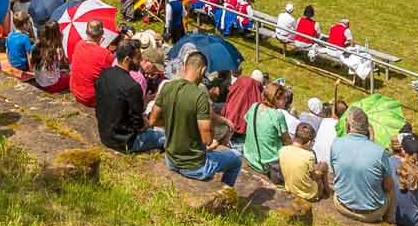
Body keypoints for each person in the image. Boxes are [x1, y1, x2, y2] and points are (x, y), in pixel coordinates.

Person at [148, 51, 242, 186]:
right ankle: (227, 192)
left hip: (171, 160)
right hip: (195, 167)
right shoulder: (200, 96)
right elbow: (207, 140)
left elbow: (153, 120)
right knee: (236, 158)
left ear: (185, 67)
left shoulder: (167, 86)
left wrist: (175, 122)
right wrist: (215, 140)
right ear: (203, 70)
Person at [93, 40, 165, 153]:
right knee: (165, 136)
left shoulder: (104, 74)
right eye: (138, 58)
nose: (140, 61)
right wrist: (148, 123)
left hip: (105, 135)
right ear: (127, 59)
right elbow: (139, 126)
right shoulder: (132, 86)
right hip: (126, 142)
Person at [329, 107, 395, 223]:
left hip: (341, 205)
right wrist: (372, 143)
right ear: (368, 128)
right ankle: (389, 222)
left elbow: (336, 173)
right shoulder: (380, 152)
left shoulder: (336, 143)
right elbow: (387, 187)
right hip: (371, 214)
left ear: (347, 125)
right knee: (392, 188)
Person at [242, 82, 292, 183]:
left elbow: (248, 122)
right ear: (275, 99)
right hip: (268, 164)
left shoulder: (254, 106)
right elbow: (287, 141)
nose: (286, 101)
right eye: (284, 98)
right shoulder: (277, 116)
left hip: (249, 156)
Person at [69, 19, 114, 107]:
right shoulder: (106, 55)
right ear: (101, 35)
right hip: (90, 98)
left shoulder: (79, 44)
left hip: (75, 90)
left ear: (86, 32)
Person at [281, 123, 330, 201]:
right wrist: (320, 171)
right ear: (309, 143)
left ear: (294, 136)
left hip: (290, 189)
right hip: (309, 195)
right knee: (323, 165)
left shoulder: (282, 150)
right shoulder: (309, 156)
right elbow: (314, 177)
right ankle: (327, 193)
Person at [31, 23, 70, 93]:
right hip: (51, 86)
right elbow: (64, 63)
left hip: (39, 82)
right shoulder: (56, 50)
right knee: (72, 76)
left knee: (62, 72)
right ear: (57, 34)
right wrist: (60, 43)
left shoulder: (37, 45)